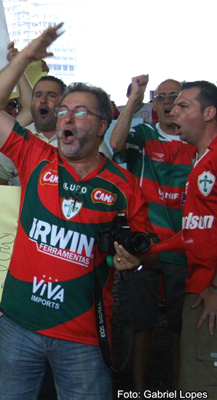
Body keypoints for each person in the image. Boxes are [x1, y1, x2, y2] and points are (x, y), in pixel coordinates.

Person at [0, 25, 157, 399]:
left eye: (81, 112)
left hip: (85, 337)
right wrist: (24, 58)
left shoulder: (122, 187)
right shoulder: (35, 157)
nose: (67, 118)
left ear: (103, 126)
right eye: (63, 111)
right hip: (19, 326)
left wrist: (133, 260)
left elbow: (146, 251)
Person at [109, 75, 196, 390]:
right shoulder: (143, 134)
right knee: (141, 324)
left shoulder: (196, 140)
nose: (168, 101)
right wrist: (134, 98)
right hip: (144, 246)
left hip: (185, 249)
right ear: (154, 103)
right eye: (161, 96)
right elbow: (115, 144)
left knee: (180, 328)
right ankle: (139, 389)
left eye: (175, 96)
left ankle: (180, 388)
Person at [169, 80, 217, 397]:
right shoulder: (198, 158)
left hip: (209, 292)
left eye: (183, 106)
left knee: (202, 383)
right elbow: (196, 230)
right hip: (199, 285)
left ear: (210, 112)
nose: (173, 112)